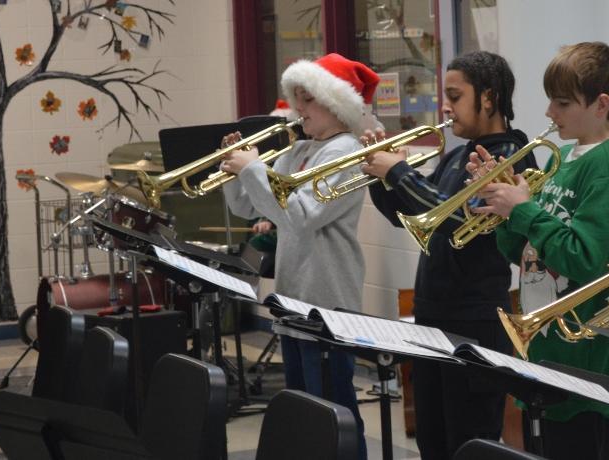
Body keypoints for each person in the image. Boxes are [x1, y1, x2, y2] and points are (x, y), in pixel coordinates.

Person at [361, 51, 536, 459]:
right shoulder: (460, 153)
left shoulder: (510, 154)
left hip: (473, 322)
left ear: (489, 98)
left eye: (455, 96)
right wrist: (379, 175)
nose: (446, 106)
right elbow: (413, 217)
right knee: (433, 442)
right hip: (432, 317)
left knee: (469, 441)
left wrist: (398, 173)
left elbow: (455, 216)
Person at [468, 42, 609, 460]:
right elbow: (523, 253)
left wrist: (524, 211)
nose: (549, 112)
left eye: (562, 102)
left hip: (582, 362)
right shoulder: (560, 157)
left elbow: (585, 260)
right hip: (541, 351)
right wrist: (503, 204)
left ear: (601, 104)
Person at [219, 53, 380, 460]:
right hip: (293, 298)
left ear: (337, 105)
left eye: (308, 99)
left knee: (334, 410)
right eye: (298, 98)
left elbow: (303, 216)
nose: (299, 109)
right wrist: (234, 174)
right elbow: (253, 208)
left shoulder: (345, 153)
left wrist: (255, 170)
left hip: (326, 299)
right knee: (306, 412)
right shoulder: (301, 150)